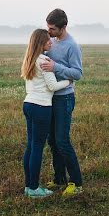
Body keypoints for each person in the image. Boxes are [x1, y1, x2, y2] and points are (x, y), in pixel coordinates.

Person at [21, 28, 71, 198]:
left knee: (31, 146)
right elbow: (53, 86)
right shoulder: (44, 61)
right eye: (47, 40)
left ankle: (28, 186)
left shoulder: (30, 59)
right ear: (40, 43)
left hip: (28, 104)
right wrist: (68, 80)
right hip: (41, 107)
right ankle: (34, 188)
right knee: (37, 148)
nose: (51, 42)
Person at [40, 8, 83, 196]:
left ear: (63, 27)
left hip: (64, 98)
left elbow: (78, 73)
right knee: (52, 141)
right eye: (47, 28)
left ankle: (76, 183)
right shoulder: (52, 42)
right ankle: (59, 179)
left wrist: (55, 67)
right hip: (50, 97)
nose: (48, 32)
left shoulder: (72, 46)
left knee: (62, 141)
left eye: (52, 29)